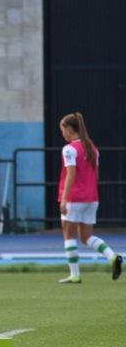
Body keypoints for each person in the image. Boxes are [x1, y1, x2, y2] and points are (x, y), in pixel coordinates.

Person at [57, 112, 122, 284]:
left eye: (63, 130)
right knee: (86, 237)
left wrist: (64, 199)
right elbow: (96, 174)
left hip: (74, 198)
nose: (62, 134)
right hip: (91, 197)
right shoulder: (92, 148)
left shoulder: (69, 149)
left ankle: (75, 275)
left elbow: (71, 174)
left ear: (69, 130)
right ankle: (112, 256)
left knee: (69, 236)